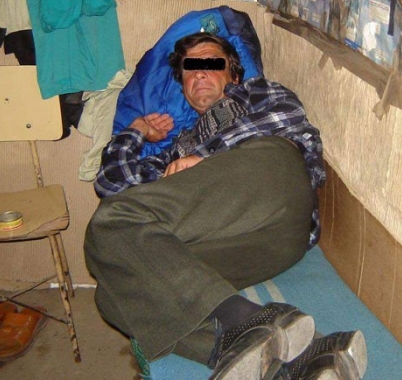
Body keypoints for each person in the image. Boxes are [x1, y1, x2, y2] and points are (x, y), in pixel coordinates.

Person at [84, 33, 367, 380]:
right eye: (190, 69)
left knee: (113, 218)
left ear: (232, 74)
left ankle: (244, 320)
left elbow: (287, 118)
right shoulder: (178, 148)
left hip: (273, 190)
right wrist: (136, 131)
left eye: (211, 63)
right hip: (258, 245)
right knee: (115, 296)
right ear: (183, 87)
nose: (200, 73)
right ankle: (299, 359)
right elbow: (112, 183)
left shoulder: (254, 93)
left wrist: (206, 158)